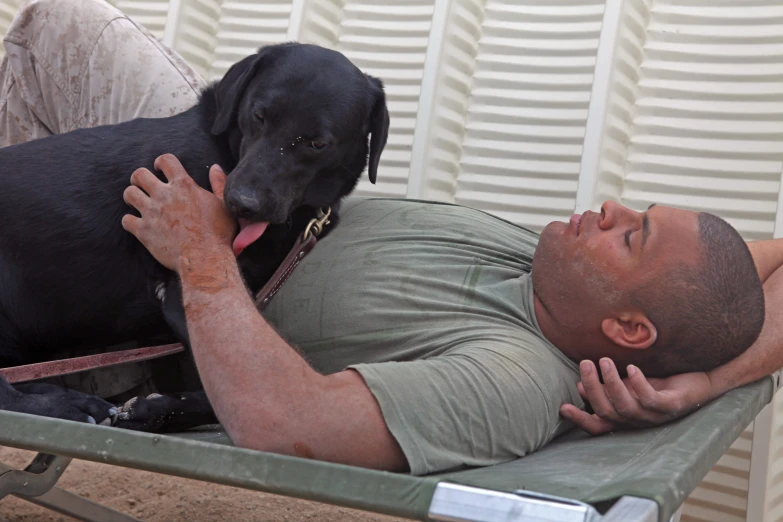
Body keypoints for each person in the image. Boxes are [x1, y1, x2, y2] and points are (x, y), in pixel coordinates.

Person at [2, 0, 781, 475]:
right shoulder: (575, 272)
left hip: (178, 269)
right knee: (61, 23)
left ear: (628, 327)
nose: (606, 206)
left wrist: (201, 257)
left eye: (631, 236)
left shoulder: (511, 377)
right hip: (251, 174)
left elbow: (283, 425)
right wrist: (704, 382)